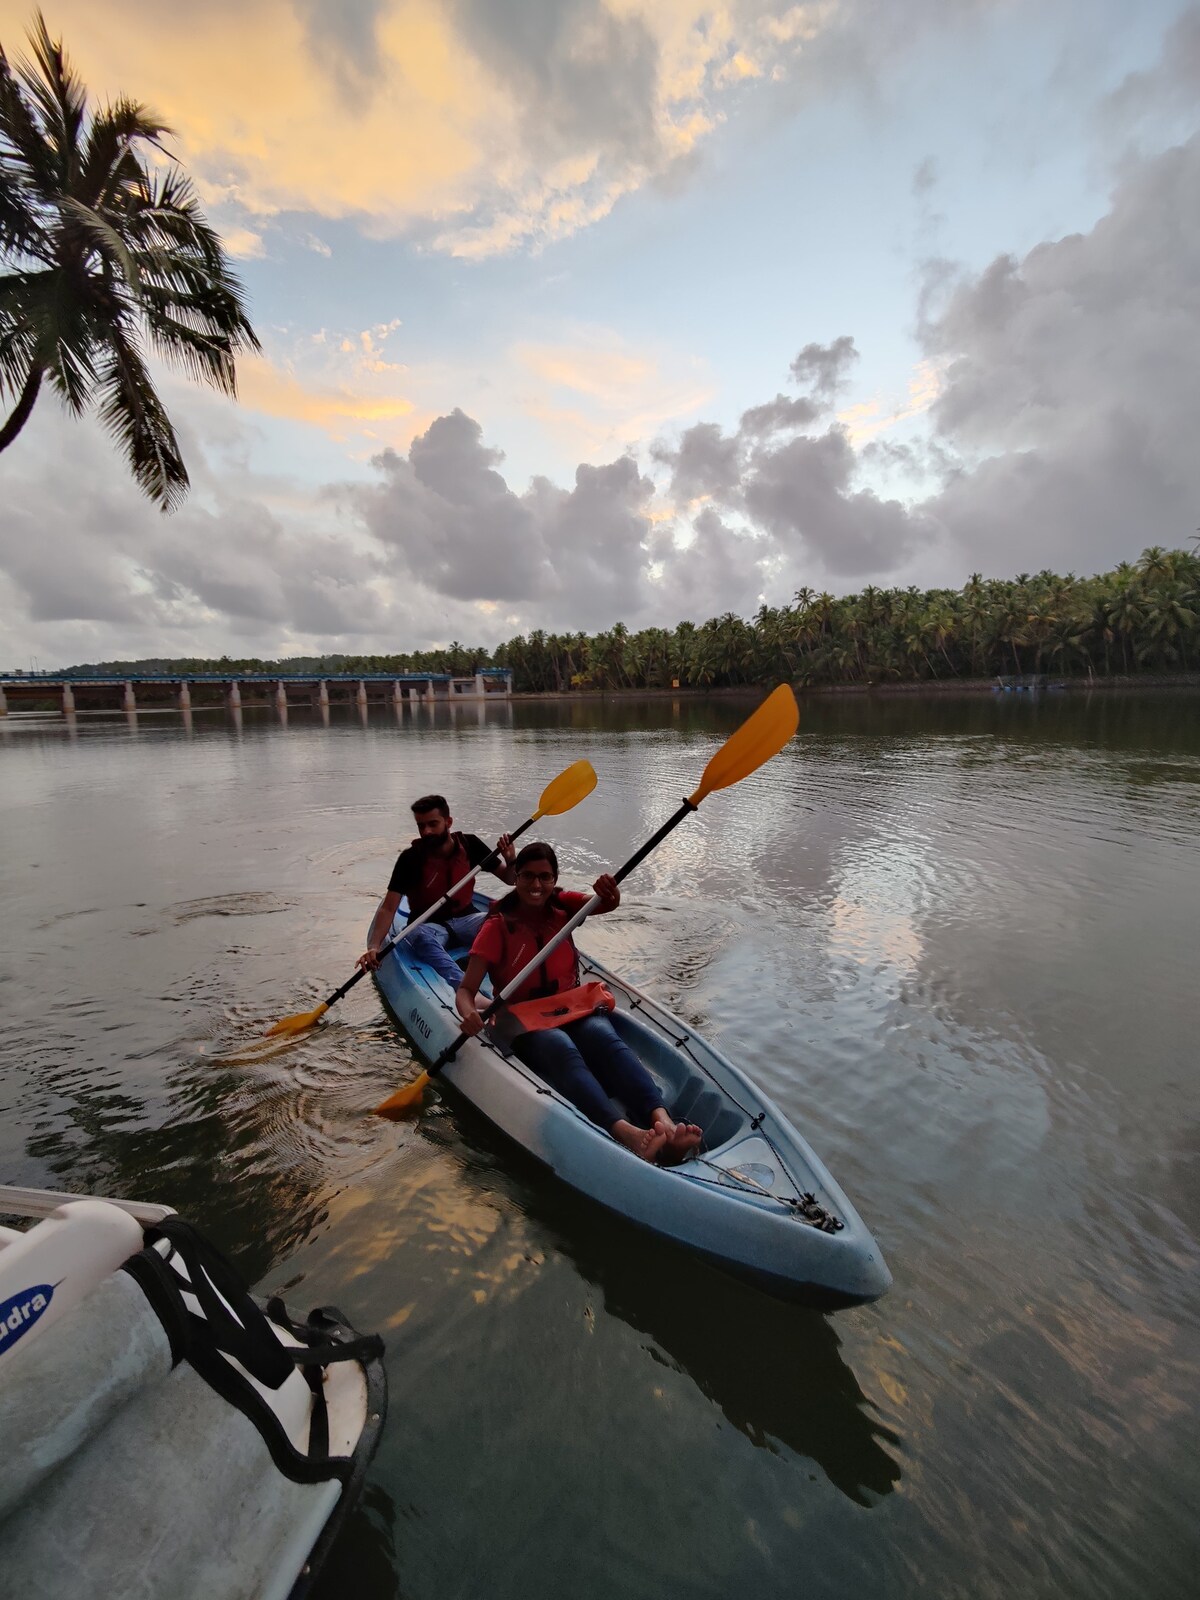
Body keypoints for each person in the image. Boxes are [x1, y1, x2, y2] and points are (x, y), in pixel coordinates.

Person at [455, 841, 702, 1164]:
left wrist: (610, 893)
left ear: (555, 879)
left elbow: (604, 904)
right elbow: (466, 990)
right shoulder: (497, 926)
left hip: (570, 1005)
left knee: (605, 1038)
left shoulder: (563, 904)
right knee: (561, 1047)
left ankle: (664, 1125)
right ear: (515, 877)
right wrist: (470, 1014)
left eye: (545, 877)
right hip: (524, 1018)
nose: (536, 885)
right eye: (528, 876)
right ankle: (627, 1133)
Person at [356, 795, 517, 987]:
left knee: (503, 921)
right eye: (421, 826)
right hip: (429, 927)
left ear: (448, 822)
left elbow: (510, 879)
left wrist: (511, 859)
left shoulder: (470, 844)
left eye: (433, 824)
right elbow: (389, 908)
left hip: (468, 920)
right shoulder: (410, 859)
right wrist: (374, 946)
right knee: (417, 934)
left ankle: (515, 976)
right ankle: (464, 989)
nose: (427, 831)